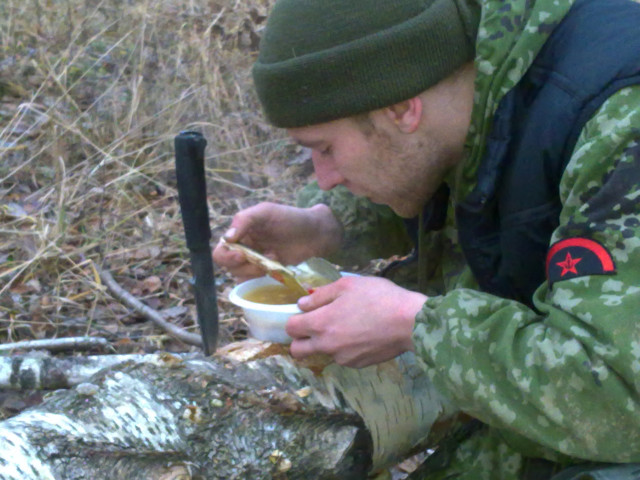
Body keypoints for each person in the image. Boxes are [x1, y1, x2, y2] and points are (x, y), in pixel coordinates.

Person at [213, 0, 640, 478]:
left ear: (400, 107)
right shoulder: (476, 78)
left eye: (326, 149)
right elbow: (456, 171)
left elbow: (624, 400)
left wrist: (413, 324)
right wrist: (325, 225)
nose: (325, 177)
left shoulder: (621, 122)